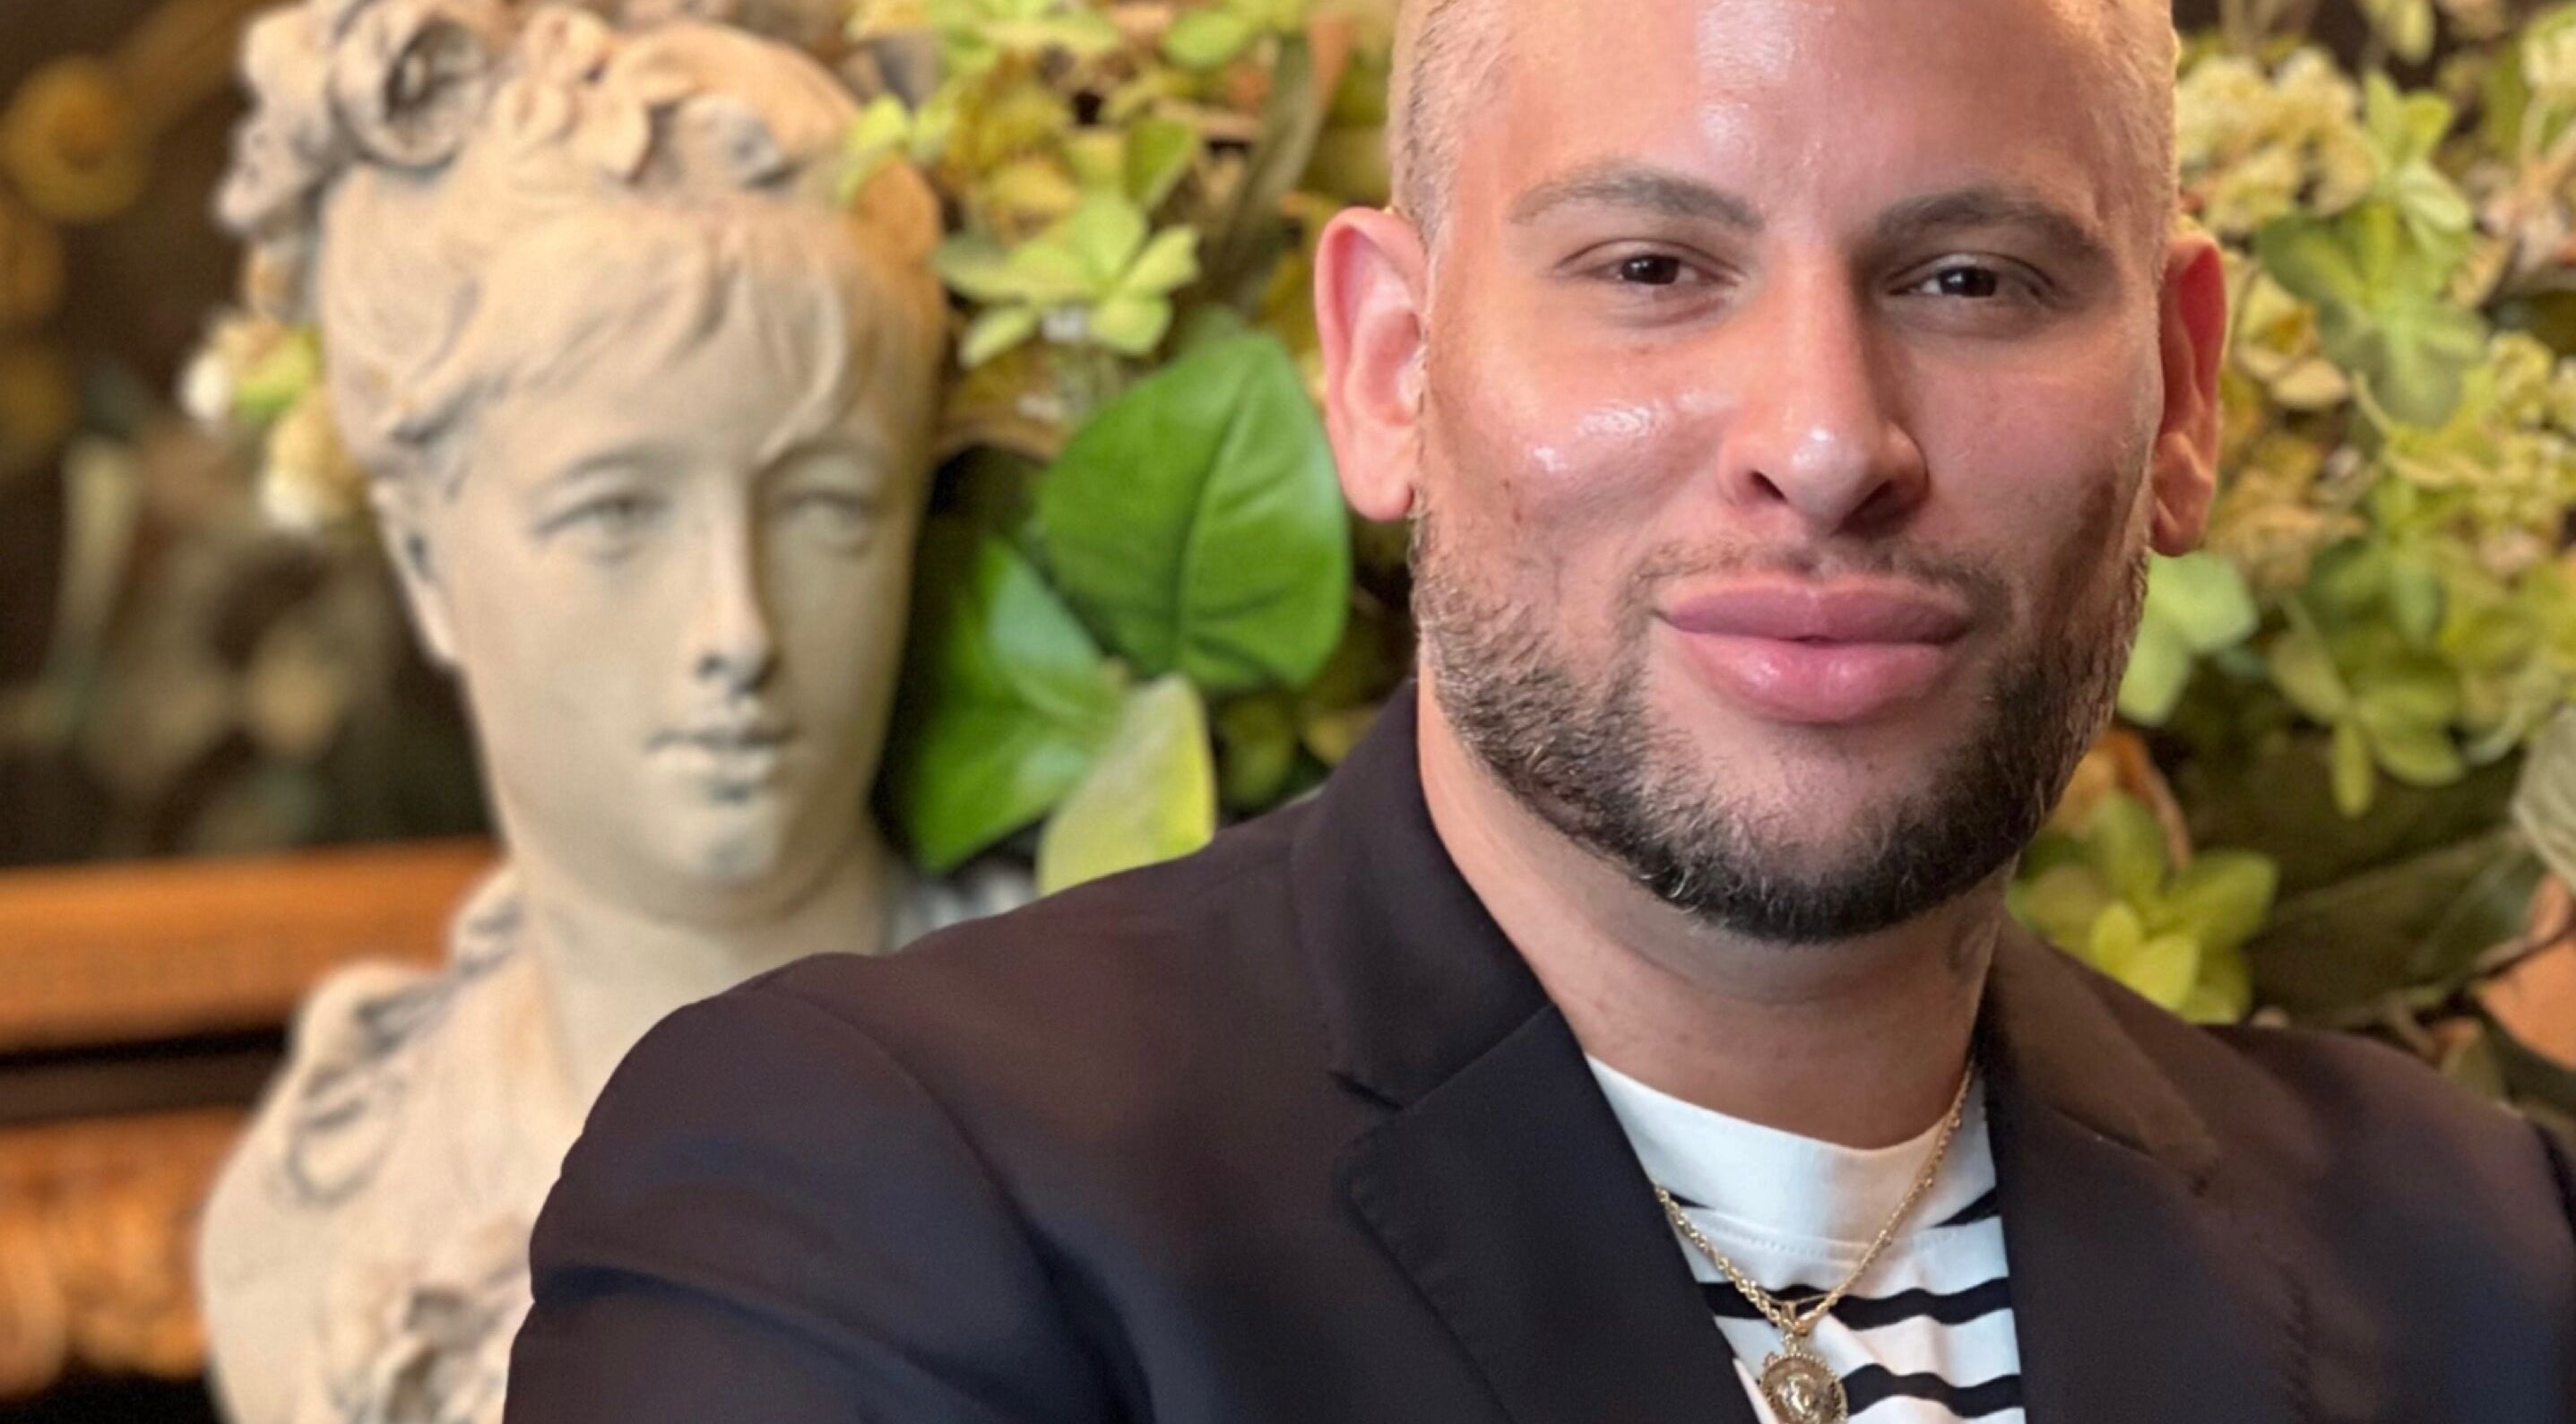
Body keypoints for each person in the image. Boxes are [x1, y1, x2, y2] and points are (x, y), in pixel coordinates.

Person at [506, 0, 2576, 1419]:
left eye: (1971, 281)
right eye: (1656, 268)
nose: (1830, 440)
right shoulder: (864, 1199)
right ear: (1390, 368)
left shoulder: (2483, 1262)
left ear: (2185, 394)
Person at [192, 7, 1019, 1422]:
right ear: (420, 559)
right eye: (616, 512)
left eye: (824, 507)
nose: (735, 629)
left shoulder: (1097, 1103)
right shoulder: (330, 1200)